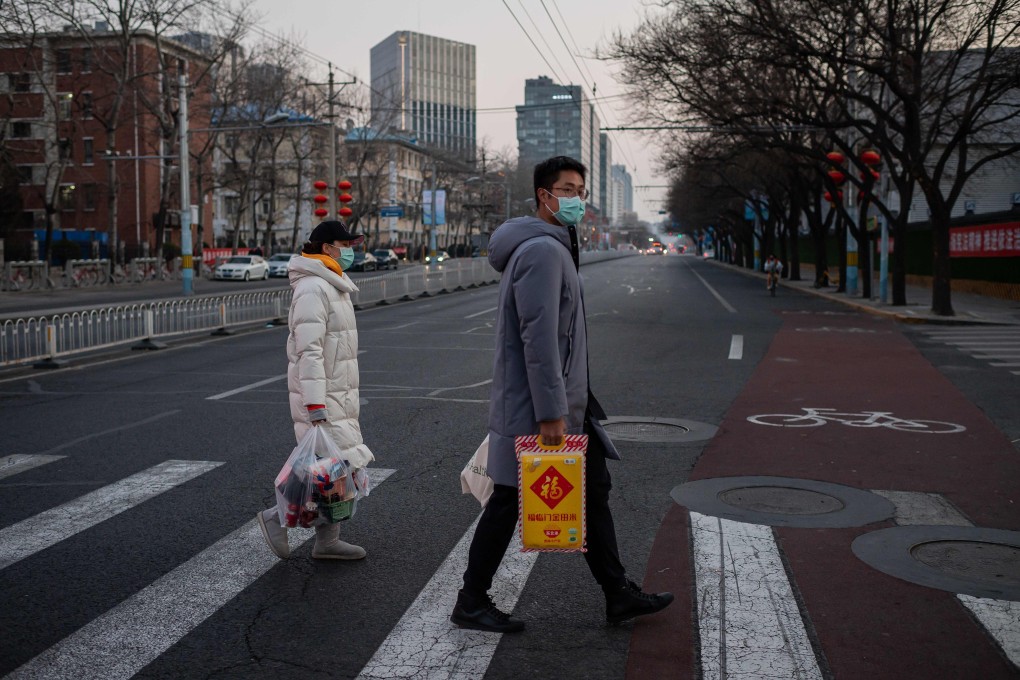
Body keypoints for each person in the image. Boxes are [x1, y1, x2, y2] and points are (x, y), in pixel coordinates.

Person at [450, 156, 674, 634]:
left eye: (580, 190)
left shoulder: (552, 246)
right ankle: (471, 600)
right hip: (539, 410)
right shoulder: (542, 252)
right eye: (567, 190)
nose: (576, 199)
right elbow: (539, 336)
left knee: (593, 492)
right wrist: (552, 414)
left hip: (566, 404)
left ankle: (617, 593)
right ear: (544, 196)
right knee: (509, 500)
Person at [256, 220, 375, 561]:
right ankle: (275, 519)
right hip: (324, 396)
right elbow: (309, 351)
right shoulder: (313, 288)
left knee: (335, 470)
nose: (350, 250)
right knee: (327, 467)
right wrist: (315, 404)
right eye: (344, 244)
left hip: (338, 391)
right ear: (327, 248)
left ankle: (328, 541)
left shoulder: (332, 282)